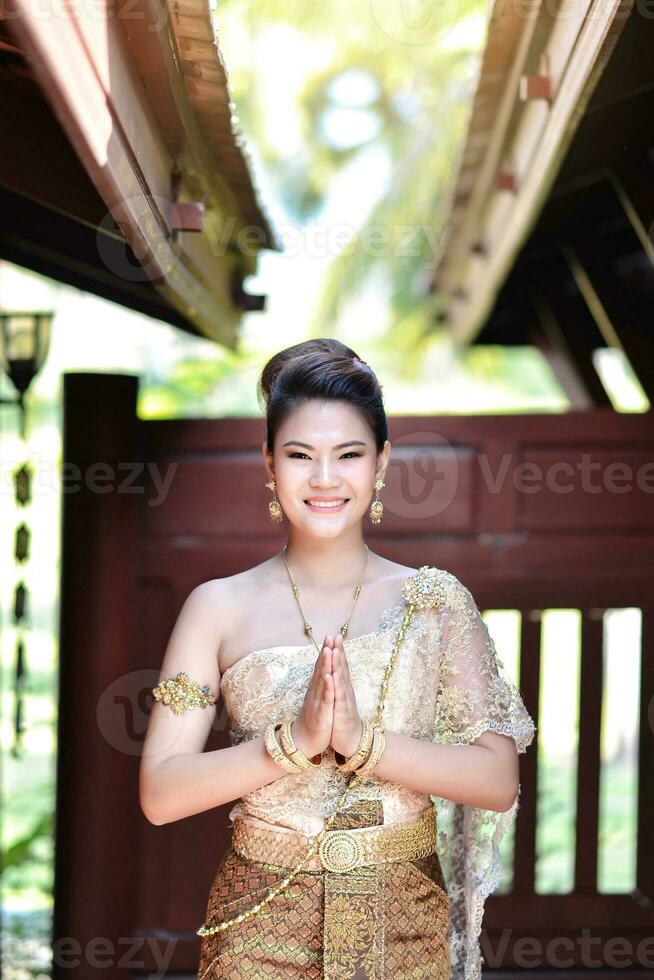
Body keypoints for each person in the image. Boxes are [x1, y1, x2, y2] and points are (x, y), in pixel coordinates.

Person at [139, 338, 536, 979]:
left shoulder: (434, 602)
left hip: (407, 926)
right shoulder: (216, 607)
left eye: (348, 455)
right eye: (300, 455)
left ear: (382, 462)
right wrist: (291, 744)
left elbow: (497, 781)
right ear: (269, 462)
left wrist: (364, 742)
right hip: (259, 930)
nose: (324, 479)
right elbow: (161, 793)